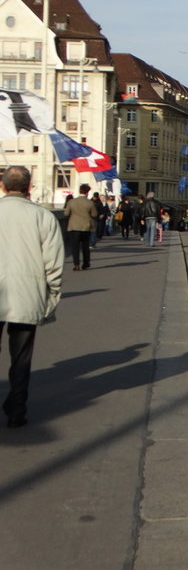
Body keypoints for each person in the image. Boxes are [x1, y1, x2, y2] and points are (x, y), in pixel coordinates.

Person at [0, 165, 64, 428]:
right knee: (21, 357)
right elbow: (54, 263)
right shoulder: (43, 217)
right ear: (29, 187)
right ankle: (17, 409)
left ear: (3, 186)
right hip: (27, 293)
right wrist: (52, 295)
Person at [63, 182, 98, 272]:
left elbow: (66, 213)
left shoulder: (71, 202)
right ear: (87, 192)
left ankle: (76, 264)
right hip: (86, 227)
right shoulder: (90, 203)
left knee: (75, 247)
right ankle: (86, 263)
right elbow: (94, 214)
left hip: (73, 226)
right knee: (85, 246)